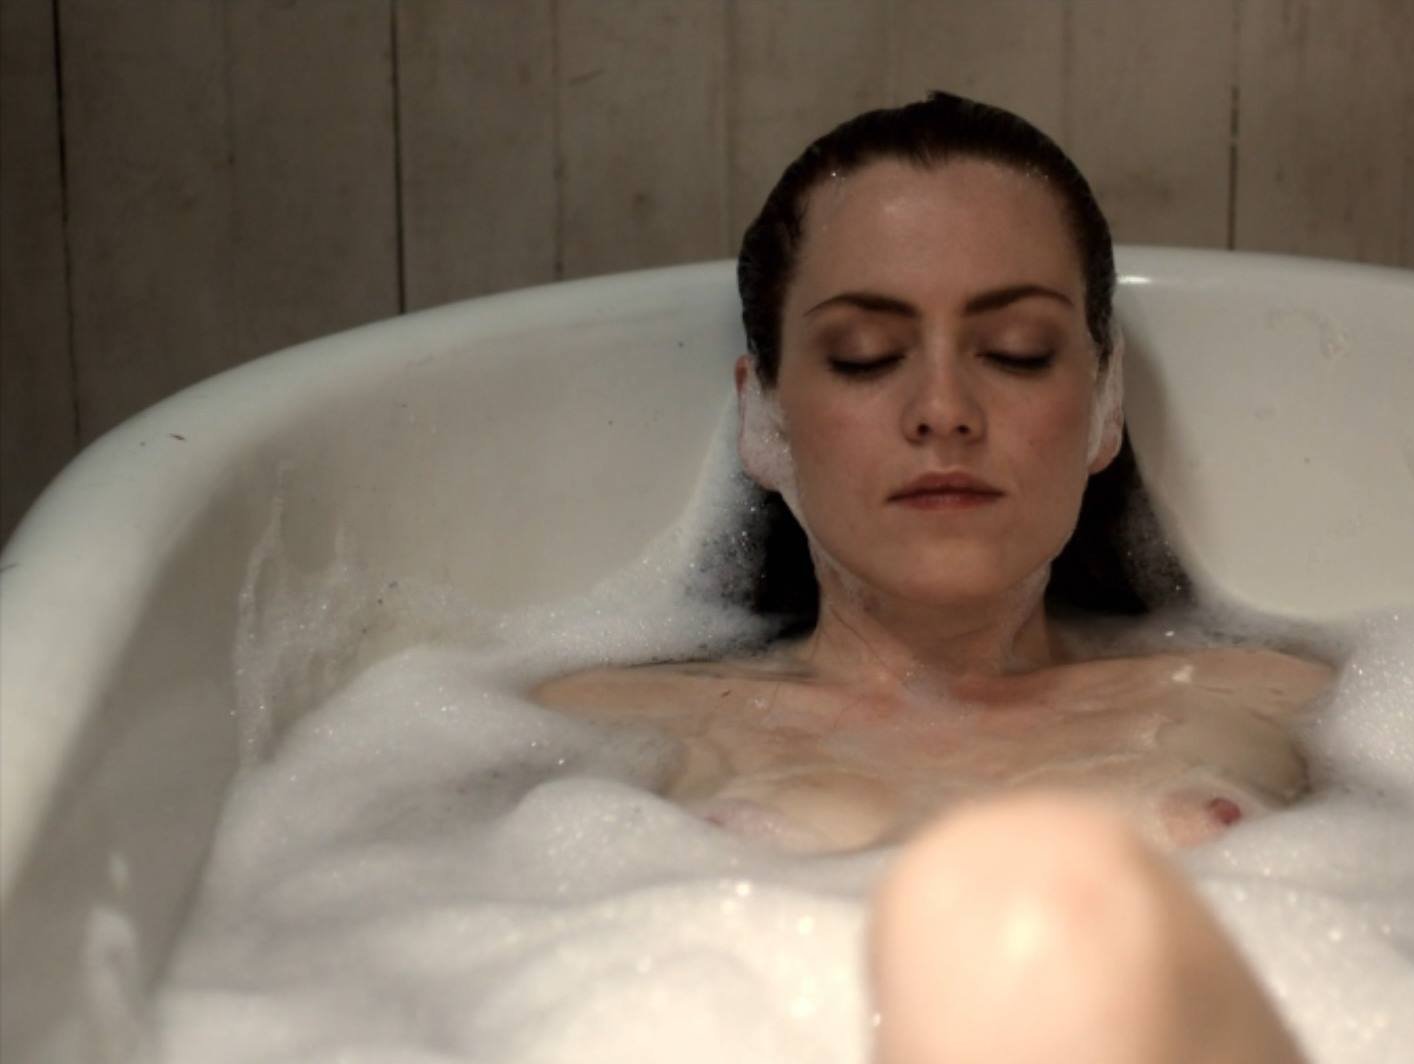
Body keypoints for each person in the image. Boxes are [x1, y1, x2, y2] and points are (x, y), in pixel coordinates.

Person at [536, 92, 1319, 1064]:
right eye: (864, 356)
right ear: (764, 420)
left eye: (1016, 352)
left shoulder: (1290, 708)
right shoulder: (592, 733)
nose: (943, 408)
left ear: (1105, 401)